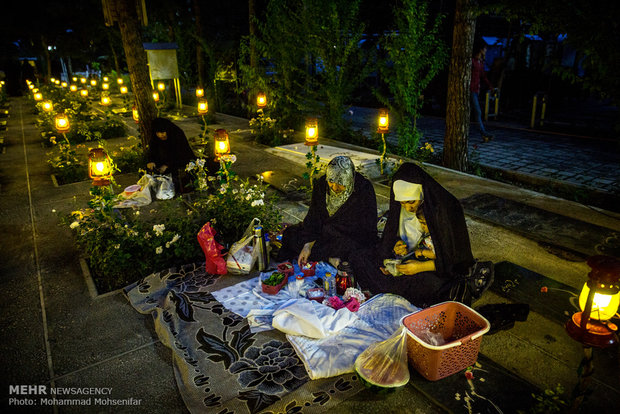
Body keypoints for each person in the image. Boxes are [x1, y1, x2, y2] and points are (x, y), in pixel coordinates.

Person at [352, 163, 489, 308]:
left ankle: (395, 289)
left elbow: (455, 261)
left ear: (422, 192)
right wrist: (397, 245)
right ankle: (394, 288)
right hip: (407, 261)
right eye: (402, 203)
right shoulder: (402, 208)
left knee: (428, 284)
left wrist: (419, 267)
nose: (407, 208)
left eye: (411, 202)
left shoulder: (444, 209)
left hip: (436, 270)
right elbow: (390, 239)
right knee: (360, 257)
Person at [276, 156, 378, 269]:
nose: (335, 187)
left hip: (349, 235)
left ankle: (329, 255)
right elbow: (314, 216)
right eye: (331, 181)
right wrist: (307, 245)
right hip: (324, 232)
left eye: (341, 183)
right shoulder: (321, 184)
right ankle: (329, 257)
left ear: (349, 179)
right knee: (291, 234)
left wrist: (337, 231)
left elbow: (368, 225)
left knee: (359, 251)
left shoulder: (363, 188)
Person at [147, 118, 199, 193]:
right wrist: (151, 161)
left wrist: (167, 165)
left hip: (180, 161)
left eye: (163, 132)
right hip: (164, 161)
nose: (161, 135)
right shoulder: (155, 137)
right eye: (158, 133)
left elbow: (181, 153)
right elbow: (152, 150)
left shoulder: (177, 134)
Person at [471, 44, 494, 142]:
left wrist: (490, 86)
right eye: (485, 49)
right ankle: (483, 133)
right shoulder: (473, 61)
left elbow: (483, 76)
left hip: (476, 90)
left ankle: (483, 134)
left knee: (474, 112)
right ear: (480, 50)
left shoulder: (481, 62)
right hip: (471, 89)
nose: (486, 51)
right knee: (478, 111)